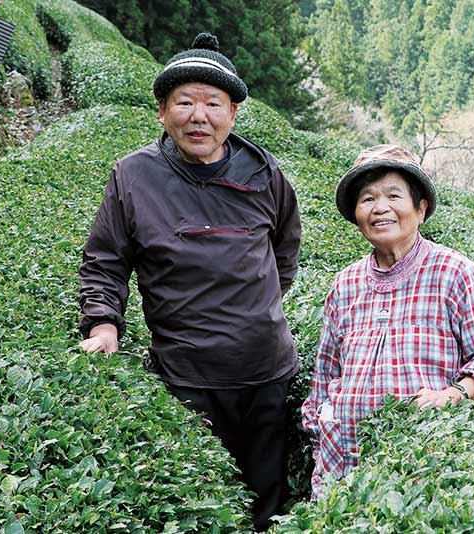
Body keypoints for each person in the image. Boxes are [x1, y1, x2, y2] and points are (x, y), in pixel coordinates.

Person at [78, 32, 301, 530]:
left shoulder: (266, 174)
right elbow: (106, 260)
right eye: (184, 102)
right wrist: (102, 324)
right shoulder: (134, 176)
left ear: (233, 115)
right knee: (200, 499)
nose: (198, 116)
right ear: (162, 112)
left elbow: (284, 252)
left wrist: (255, 305)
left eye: (212, 104)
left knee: (266, 497)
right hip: (186, 375)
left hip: (266, 369)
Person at [301, 144, 474, 498]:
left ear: (420, 209)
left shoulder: (456, 273)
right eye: (368, 199)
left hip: (419, 465)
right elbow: (326, 372)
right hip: (338, 462)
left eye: (393, 195)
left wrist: (454, 394)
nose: (380, 208)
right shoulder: (346, 282)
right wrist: (322, 428)